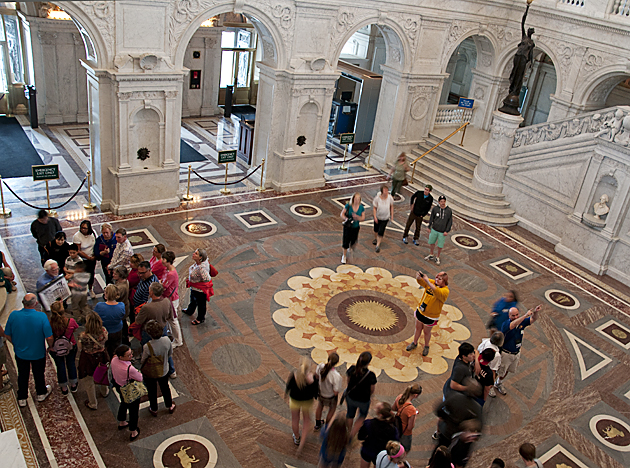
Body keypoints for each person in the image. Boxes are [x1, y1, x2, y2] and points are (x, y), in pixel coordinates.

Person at [4, 294, 54, 407]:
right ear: (35, 303)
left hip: (21, 353)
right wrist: (50, 346)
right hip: (38, 353)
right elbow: (49, 337)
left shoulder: (13, 315)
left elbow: (7, 334)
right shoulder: (41, 317)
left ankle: (22, 397)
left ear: (23, 303)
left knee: (22, 374)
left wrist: (16, 344)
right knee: (38, 373)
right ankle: (41, 393)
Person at [494, 305, 542, 396]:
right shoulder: (506, 324)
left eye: (517, 315)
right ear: (509, 316)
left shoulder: (522, 323)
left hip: (516, 353)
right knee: (499, 371)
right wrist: (525, 315)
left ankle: (498, 383)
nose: (515, 317)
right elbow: (513, 325)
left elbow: (533, 319)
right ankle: (491, 386)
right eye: (513, 315)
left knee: (507, 370)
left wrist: (535, 312)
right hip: (506, 353)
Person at [135, 282, 176, 377]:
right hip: (163, 328)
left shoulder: (147, 307)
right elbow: (170, 316)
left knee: (148, 350)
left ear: (152, 292)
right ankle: (172, 371)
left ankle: (148, 369)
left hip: (149, 332)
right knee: (166, 350)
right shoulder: (167, 301)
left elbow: (138, 321)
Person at [406, 270, 449, 356]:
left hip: (431, 316)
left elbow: (437, 292)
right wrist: (419, 278)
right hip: (421, 311)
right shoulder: (432, 283)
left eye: (439, 279)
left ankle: (426, 346)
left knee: (426, 332)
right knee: (418, 328)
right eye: (436, 277)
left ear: (444, 281)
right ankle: (414, 343)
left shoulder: (445, 291)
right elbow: (422, 282)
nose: (436, 280)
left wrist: (428, 281)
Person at [435, 378, 483, 450]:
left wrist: (445, 418)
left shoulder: (454, 396)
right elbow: (479, 427)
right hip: (459, 437)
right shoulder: (477, 409)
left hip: (446, 430)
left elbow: (439, 409)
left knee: (439, 449)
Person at [141, 320, 175, 417]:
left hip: (151, 373)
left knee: (152, 391)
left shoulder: (147, 346)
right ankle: (169, 405)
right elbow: (169, 353)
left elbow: (143, 360)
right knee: (165, 387)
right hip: (163, 369)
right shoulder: (167, 340)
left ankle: (154, 408)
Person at [285, 358, 319, 454]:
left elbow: (288, 387)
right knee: (306, 421)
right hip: (307, 402)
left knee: (295, 420)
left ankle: (297, 438)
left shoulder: (294, 375)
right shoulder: (312, 379)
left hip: (294, 401)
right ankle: (302, 443)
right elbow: (315, 392)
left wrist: (286, 396)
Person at [78, 312, 109, 410]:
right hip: (101, 356)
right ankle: (105, 391)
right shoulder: (104, 331)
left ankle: (93, 403)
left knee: (89, 381)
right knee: (103, 373)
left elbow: (80, 348)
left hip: (88, 359)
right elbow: (106, 340)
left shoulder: (83, 335)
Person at [110, 344, 142, 440]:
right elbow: (140, 378)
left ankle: (122, 421)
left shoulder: (114, 359)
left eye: (131, 353)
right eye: (128, 355)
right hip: (128, 388)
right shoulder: (129, 369)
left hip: (118, 385)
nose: (131, 356)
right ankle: (133, 430)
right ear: (121, 357)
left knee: (123, 403)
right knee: (133, 410)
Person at [48, 300, 79, 395]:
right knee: (71, 364)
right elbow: (76, 328)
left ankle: (64, 387)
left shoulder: (50, 324)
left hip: (56, 348)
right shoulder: (70, 321)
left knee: (60, 366)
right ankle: (73, 384)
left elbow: (49, 337)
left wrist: (51, 347)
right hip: (70, 346)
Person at [345, 351, 377, 437]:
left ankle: (348, 432)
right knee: (362, 416)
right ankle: (352, 435)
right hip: (363, 400)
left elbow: (348, 382)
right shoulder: (371, 376)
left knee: (350, 414)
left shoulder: (352, 369)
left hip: (351, 397)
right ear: (369, 363)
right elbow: (372, 390)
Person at [358, 402, 399, 468]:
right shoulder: (393, 428)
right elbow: (395, 441)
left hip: (368, 450)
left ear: (380, 414)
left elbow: (360, 437)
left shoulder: (368, 424)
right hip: (382, 453)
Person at [183, 248, 217, 325]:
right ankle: (190, 310)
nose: (193, 254)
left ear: (200, 257)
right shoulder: (200, 263)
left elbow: (206, 278)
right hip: (195, 288)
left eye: (196, 253)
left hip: (200, 291)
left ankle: (200, 318)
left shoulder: (201, 268)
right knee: (193, 300)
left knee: (201, 305)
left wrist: (197, 281)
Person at [94, 284, 126, 358]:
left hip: (104, 331)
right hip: (117, 330)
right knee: (116, 348)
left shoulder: (99, 306)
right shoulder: (121, 306)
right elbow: (122, 316)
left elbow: (95, 317)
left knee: (105, 349)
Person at [314, 352, 343, 430]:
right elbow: (335, 392)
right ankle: (327, 426)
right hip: (330, 396)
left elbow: (316, 376)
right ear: (337, 363)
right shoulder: (336, 376)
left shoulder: (320, 366)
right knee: (332, 409)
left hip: (321, 393)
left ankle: (317, 424)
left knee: (320, 406)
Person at [392, 383, 422, 452]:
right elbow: (410, 427)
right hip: (405, 432)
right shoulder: (411, 409)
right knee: (405, 449)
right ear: (416, 395)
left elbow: (393, 408)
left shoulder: (399, 397)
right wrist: (414, 415)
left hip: (396, 426)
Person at [161, 251, 182, 347]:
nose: (162, 261)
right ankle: (172, 333)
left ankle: (178, 340)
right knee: (170, 319)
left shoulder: (171, 273)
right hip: (168, 297)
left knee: (173, 319)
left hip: (171, 298)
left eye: (164, 259)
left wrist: (161, 284)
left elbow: (164, 285)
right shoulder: (167, 270)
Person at [425, 195, 452, 266]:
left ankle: (437, 256)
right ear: (439, 202)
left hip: (442, 231)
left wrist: (447, 230)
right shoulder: (435, 209)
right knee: (431, 242)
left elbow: (450, 221)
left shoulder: (448, 211)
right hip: (434, 229)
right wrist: (429, 226)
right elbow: (431, 218)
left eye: (444, 201)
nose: (442, 203)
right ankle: (431, 254)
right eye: (441, 201)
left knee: (440, 245)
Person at [73, 220, 97, 298]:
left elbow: (95, 244)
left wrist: (94, 255)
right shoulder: (77, 236)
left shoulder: (93, 233)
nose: (83, 229)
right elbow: (78, 250)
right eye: (82, 228)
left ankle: (90, 289)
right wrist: (88, 257)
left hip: (92, 258)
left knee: (91, 274)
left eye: (85, 228)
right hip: (83, 259)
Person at [340, 192, 366, 264]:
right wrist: (346, 219)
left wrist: (358, 217)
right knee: (346, 241)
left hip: (355, 227)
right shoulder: (348, 205)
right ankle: (344, 255)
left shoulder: (361, 207)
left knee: (354, 240)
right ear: (353, 199)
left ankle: (350, 247)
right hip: (348, 227)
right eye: (355, 199)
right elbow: (342, 214)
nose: (357, 200)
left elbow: (363, 218)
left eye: (358, 199)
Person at [478, 332, 503, 398]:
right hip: (486, 370)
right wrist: (492, 382)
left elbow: (478, 350)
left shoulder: (486, 341)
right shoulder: (496, 354)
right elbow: (493, 369)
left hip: (479, 363)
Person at [372, 185, 394, 253]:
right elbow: (374, 207)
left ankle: (378, 245)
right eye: (385, 190)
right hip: (378, 217)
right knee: (376, 229)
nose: (386, 192)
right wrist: (375, 216)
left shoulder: (390, 198)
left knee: (381, 231)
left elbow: (391, 206)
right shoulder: (377, 198)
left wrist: (392, 215)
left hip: (385, 217)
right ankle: (376, 238)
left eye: (387, 190)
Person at [113, 266, 131, 344]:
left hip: (121, 307)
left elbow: (114, 297)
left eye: (115, 274)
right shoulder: (125, 282)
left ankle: (124, 340)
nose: (113, 275)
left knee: (123, 325)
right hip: (125, 305)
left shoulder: (121, 287)